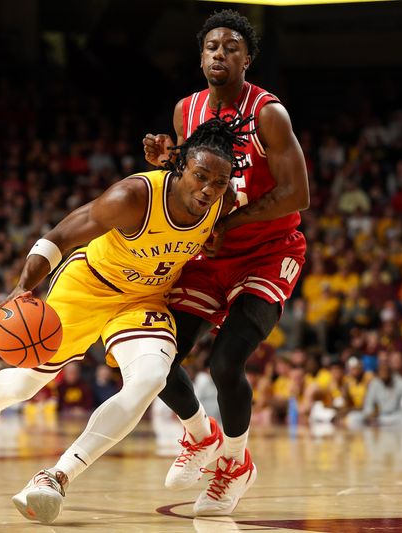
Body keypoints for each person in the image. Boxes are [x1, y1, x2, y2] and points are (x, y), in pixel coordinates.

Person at [0, 115, 247, 524]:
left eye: (218, 182)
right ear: (179, 168)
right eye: (200, 177)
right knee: (24, 382)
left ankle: (56, 477)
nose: (209, 189)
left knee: (150, 379)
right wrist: (22, 288)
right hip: (88, 285)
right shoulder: (132, 197)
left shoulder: (222, 200)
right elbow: (57, 237)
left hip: (143, 299)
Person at [142, 9, 309, 516]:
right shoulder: (185, 110)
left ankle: (235, 462)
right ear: (200, 57)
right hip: (211, 254)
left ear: (247, 58)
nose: (220, 53)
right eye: (212, 46)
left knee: (224, 362)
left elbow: (297, 193)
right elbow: (198, 179)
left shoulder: (268, 114)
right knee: (157, 361)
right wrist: (168, 163)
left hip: (267, 251)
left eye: (231, 47)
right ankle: (199, 435)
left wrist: (226, 227)